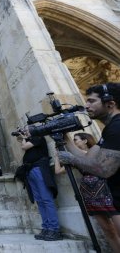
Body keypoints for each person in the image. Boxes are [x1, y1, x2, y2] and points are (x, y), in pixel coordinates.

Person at [58, 83, 120, 244]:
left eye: (91, 101)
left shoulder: (117, 127)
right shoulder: (109, 129)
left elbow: (102, 169)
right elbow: (89, 160)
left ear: (110, 103)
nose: (86, 105)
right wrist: (65, 137)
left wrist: (70, 159)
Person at [55, 132, 120, 251]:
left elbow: (93, 162)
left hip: (106, 189)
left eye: (77, 139)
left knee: (116, 227)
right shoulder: (76, 158)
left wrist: (73, 158)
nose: (75, 142)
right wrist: (57, 156)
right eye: (73, 140)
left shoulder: (97, 151)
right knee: (107, 229)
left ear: (85, 141)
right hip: (89, 192)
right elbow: (58, 171)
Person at [16, 131, 62, 241]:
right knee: (40, 200)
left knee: (46, 199)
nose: (25, 132)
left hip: (39, 169)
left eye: (26, 130)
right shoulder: (33, 139)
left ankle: (54, 229)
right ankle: (46, 228)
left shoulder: (38, 137)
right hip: (31, 170)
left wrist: (24, 138)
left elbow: (24, 147)